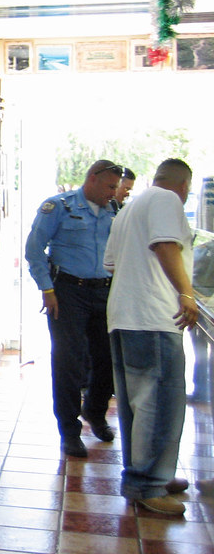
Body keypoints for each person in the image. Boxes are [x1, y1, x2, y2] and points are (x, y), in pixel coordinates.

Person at [103, 158, 199, 515]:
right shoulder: (166, 200)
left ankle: (152, 474)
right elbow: (164, 245)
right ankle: (150, 483)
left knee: (138, 405)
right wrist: (186, 293)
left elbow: (109, 263)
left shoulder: (130, 207)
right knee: (160, 404)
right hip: (154, 317)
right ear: (184, 186)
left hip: (125, 315)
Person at [25, 159, 123, 458]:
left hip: (105, 292)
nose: (113, 192)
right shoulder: (59, 207)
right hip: (67, 292)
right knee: (69, 361)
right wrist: (47, 289)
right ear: (92, 179)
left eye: (115, 187)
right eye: (109, 186)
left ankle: (95, 412)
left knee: (106, 359)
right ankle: (69, 431)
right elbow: (33, 250)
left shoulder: (115, 211)